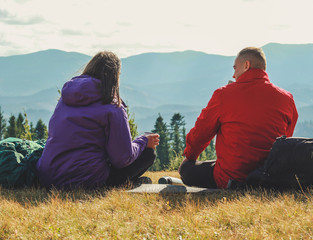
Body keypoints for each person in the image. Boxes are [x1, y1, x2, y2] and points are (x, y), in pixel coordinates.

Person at [37, 51, 159, 190]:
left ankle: (129, 182)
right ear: (115, 77)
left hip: (48, 177)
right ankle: (123, 183)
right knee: (148, 154)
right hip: (84, 180)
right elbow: (122, 159)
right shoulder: (113, 107)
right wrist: (143, 141)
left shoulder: (65, 100)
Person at [179, 47, 298, 189]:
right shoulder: (286, 98)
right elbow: (285, 139)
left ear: (247, 65)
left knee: (186, 169)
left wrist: (190, 156)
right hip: (268, 175)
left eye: (235, 68)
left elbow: (202, 132)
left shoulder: (223, 94)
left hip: (231, 178)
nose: (234, 75)